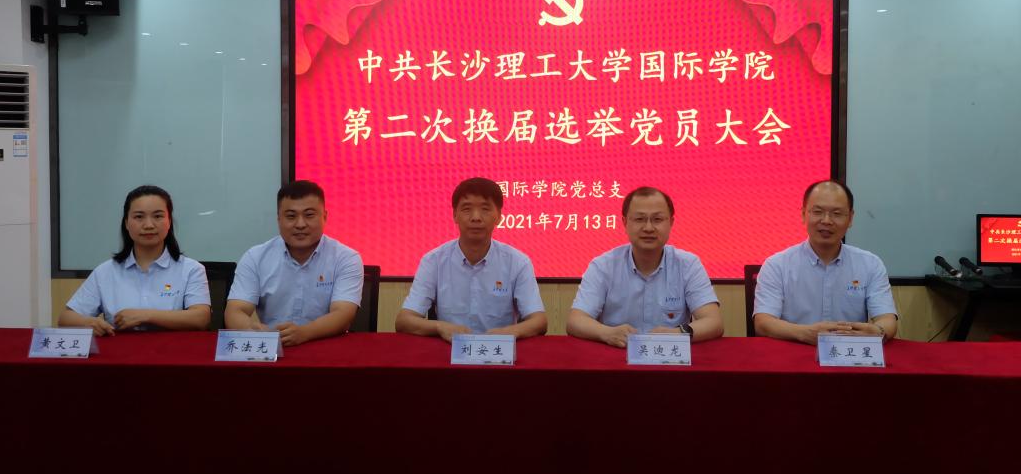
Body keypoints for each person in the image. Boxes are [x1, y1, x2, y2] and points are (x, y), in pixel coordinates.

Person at [567, 186, 724, 347]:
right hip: (617, 354)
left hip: (669, 357)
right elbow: (576, 320)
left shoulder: (688, 265)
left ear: (671, 222)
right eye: (639, 219)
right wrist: (607, 333)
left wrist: (678, 334)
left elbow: (713, 322)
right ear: (625, 222)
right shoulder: (603, 266)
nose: (648, 228)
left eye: (657, 219)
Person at [395, 177, 547, 342]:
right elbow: (404, 320)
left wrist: (510, 332)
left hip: (498, 353)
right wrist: (439, 327)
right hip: (450, 351)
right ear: (455, 215)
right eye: (467, 209)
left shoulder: (518, 262)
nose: (476, 217)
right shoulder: (434, 261)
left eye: (485, 209)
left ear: (499, 216)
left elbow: (539, 321)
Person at [753, 180, 898, 345]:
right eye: (818, 212)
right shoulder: (776, 265)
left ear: (850, 218)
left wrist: (877, 331)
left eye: (837, 213)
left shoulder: (870, 264)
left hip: (849, 355)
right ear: (803, 214)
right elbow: (763, 323)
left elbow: (888, 320)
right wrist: (805, 334)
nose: (827, 221)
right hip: (793, 352)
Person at [224, 180, 363, 346]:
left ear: (325, 217)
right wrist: (255, 331)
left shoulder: (346, 258)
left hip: (326, 347)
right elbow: (235, 311)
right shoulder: (255, 257)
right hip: (274, 348)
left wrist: (304, 333)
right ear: (278, 219)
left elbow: (343, 314)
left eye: (309, 215)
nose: (300, 224)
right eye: (291, 216)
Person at [58, 185, 211, 334]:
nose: (149, 225)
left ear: (169, 221)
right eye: (139, 217)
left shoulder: (191, 269)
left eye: (158, 216)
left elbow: (201, 318)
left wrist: (146, 315)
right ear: (126, 223)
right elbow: (66, 318)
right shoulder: (106, 271)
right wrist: (88, 322)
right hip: (118, 350)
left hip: (173, 350)